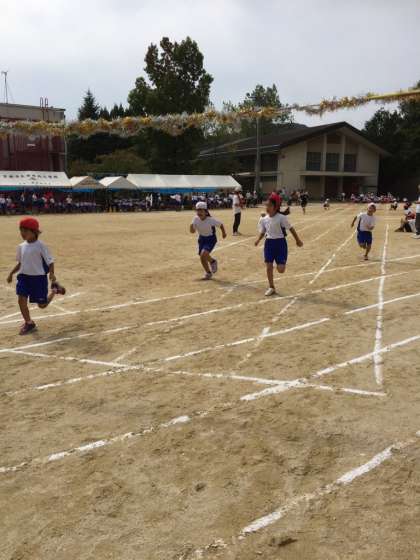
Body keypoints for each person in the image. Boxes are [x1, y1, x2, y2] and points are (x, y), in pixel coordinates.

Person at [6, 217, 66, 335]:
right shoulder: (21, 246)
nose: (22, 233)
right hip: (23, 277)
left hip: (38, 279)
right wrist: (11, 273)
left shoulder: (40, 246)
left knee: (42, 305)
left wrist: (52, 273)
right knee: (21, 300)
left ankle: (55, 290)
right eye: (21, 230)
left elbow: (50, 261)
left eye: (25, 231)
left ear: (34, 232)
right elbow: (20, 263)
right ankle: (29, 323)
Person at [255, 195, 303, 296]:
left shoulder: (281, 218)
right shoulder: (264, 219)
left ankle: (278, 263)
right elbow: (263, 231)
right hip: (269, 244)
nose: (267, 208)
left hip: (280, 244)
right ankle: (271, 287)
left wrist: (297, 240)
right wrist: (258, 240)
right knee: (268, 266)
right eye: (266, 205)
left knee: (281, 270)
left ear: (275, 207)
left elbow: (291, 228)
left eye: (269, 205)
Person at [190, 201, 227, 280]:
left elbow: (221, 225)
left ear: (206, 212)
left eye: (201, 210)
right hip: (201, 239)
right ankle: (208, 272)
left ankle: (212, 262)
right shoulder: (195, 219)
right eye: (198, 210)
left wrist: (224, 233)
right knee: (202, 257)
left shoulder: (210, 220)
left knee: (203, 254)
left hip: (211, 239)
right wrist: (191, 226)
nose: (199, 212)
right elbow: (192, 231)